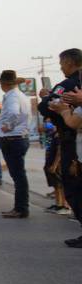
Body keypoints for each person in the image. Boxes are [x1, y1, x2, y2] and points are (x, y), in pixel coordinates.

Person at [42, 49, 82, 232]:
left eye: (61, 63)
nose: (60, 67)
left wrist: (61, 109)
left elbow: (46, 106)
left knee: (73, 186)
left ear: (69, 63)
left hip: (70, 139)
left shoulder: (69, 84)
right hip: (72, 138)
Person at [0, 71, 30, 219]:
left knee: (18, 176)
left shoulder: (12, 97)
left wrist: (8, 126)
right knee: (19, 175)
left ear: (4, 84)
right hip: (18, 138)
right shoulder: (20, 95)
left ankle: (21, 208)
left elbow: (14, 113)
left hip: (13, 139)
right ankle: (20, 207)